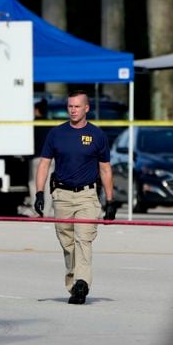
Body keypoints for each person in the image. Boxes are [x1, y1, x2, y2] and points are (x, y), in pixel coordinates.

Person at [34, 90, 116, 304]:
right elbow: (44, 163)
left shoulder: (97, 135)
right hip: (62, 195)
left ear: (86, 108)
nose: (73, 110)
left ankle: (82, 283)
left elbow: (105, 169)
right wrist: (39, 192)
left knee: (83, 240)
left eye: (77, 106)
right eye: (70, 106)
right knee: (67, 243)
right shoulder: (56, 134)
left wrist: (110, 200)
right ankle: (74, 284)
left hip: (87, 196)